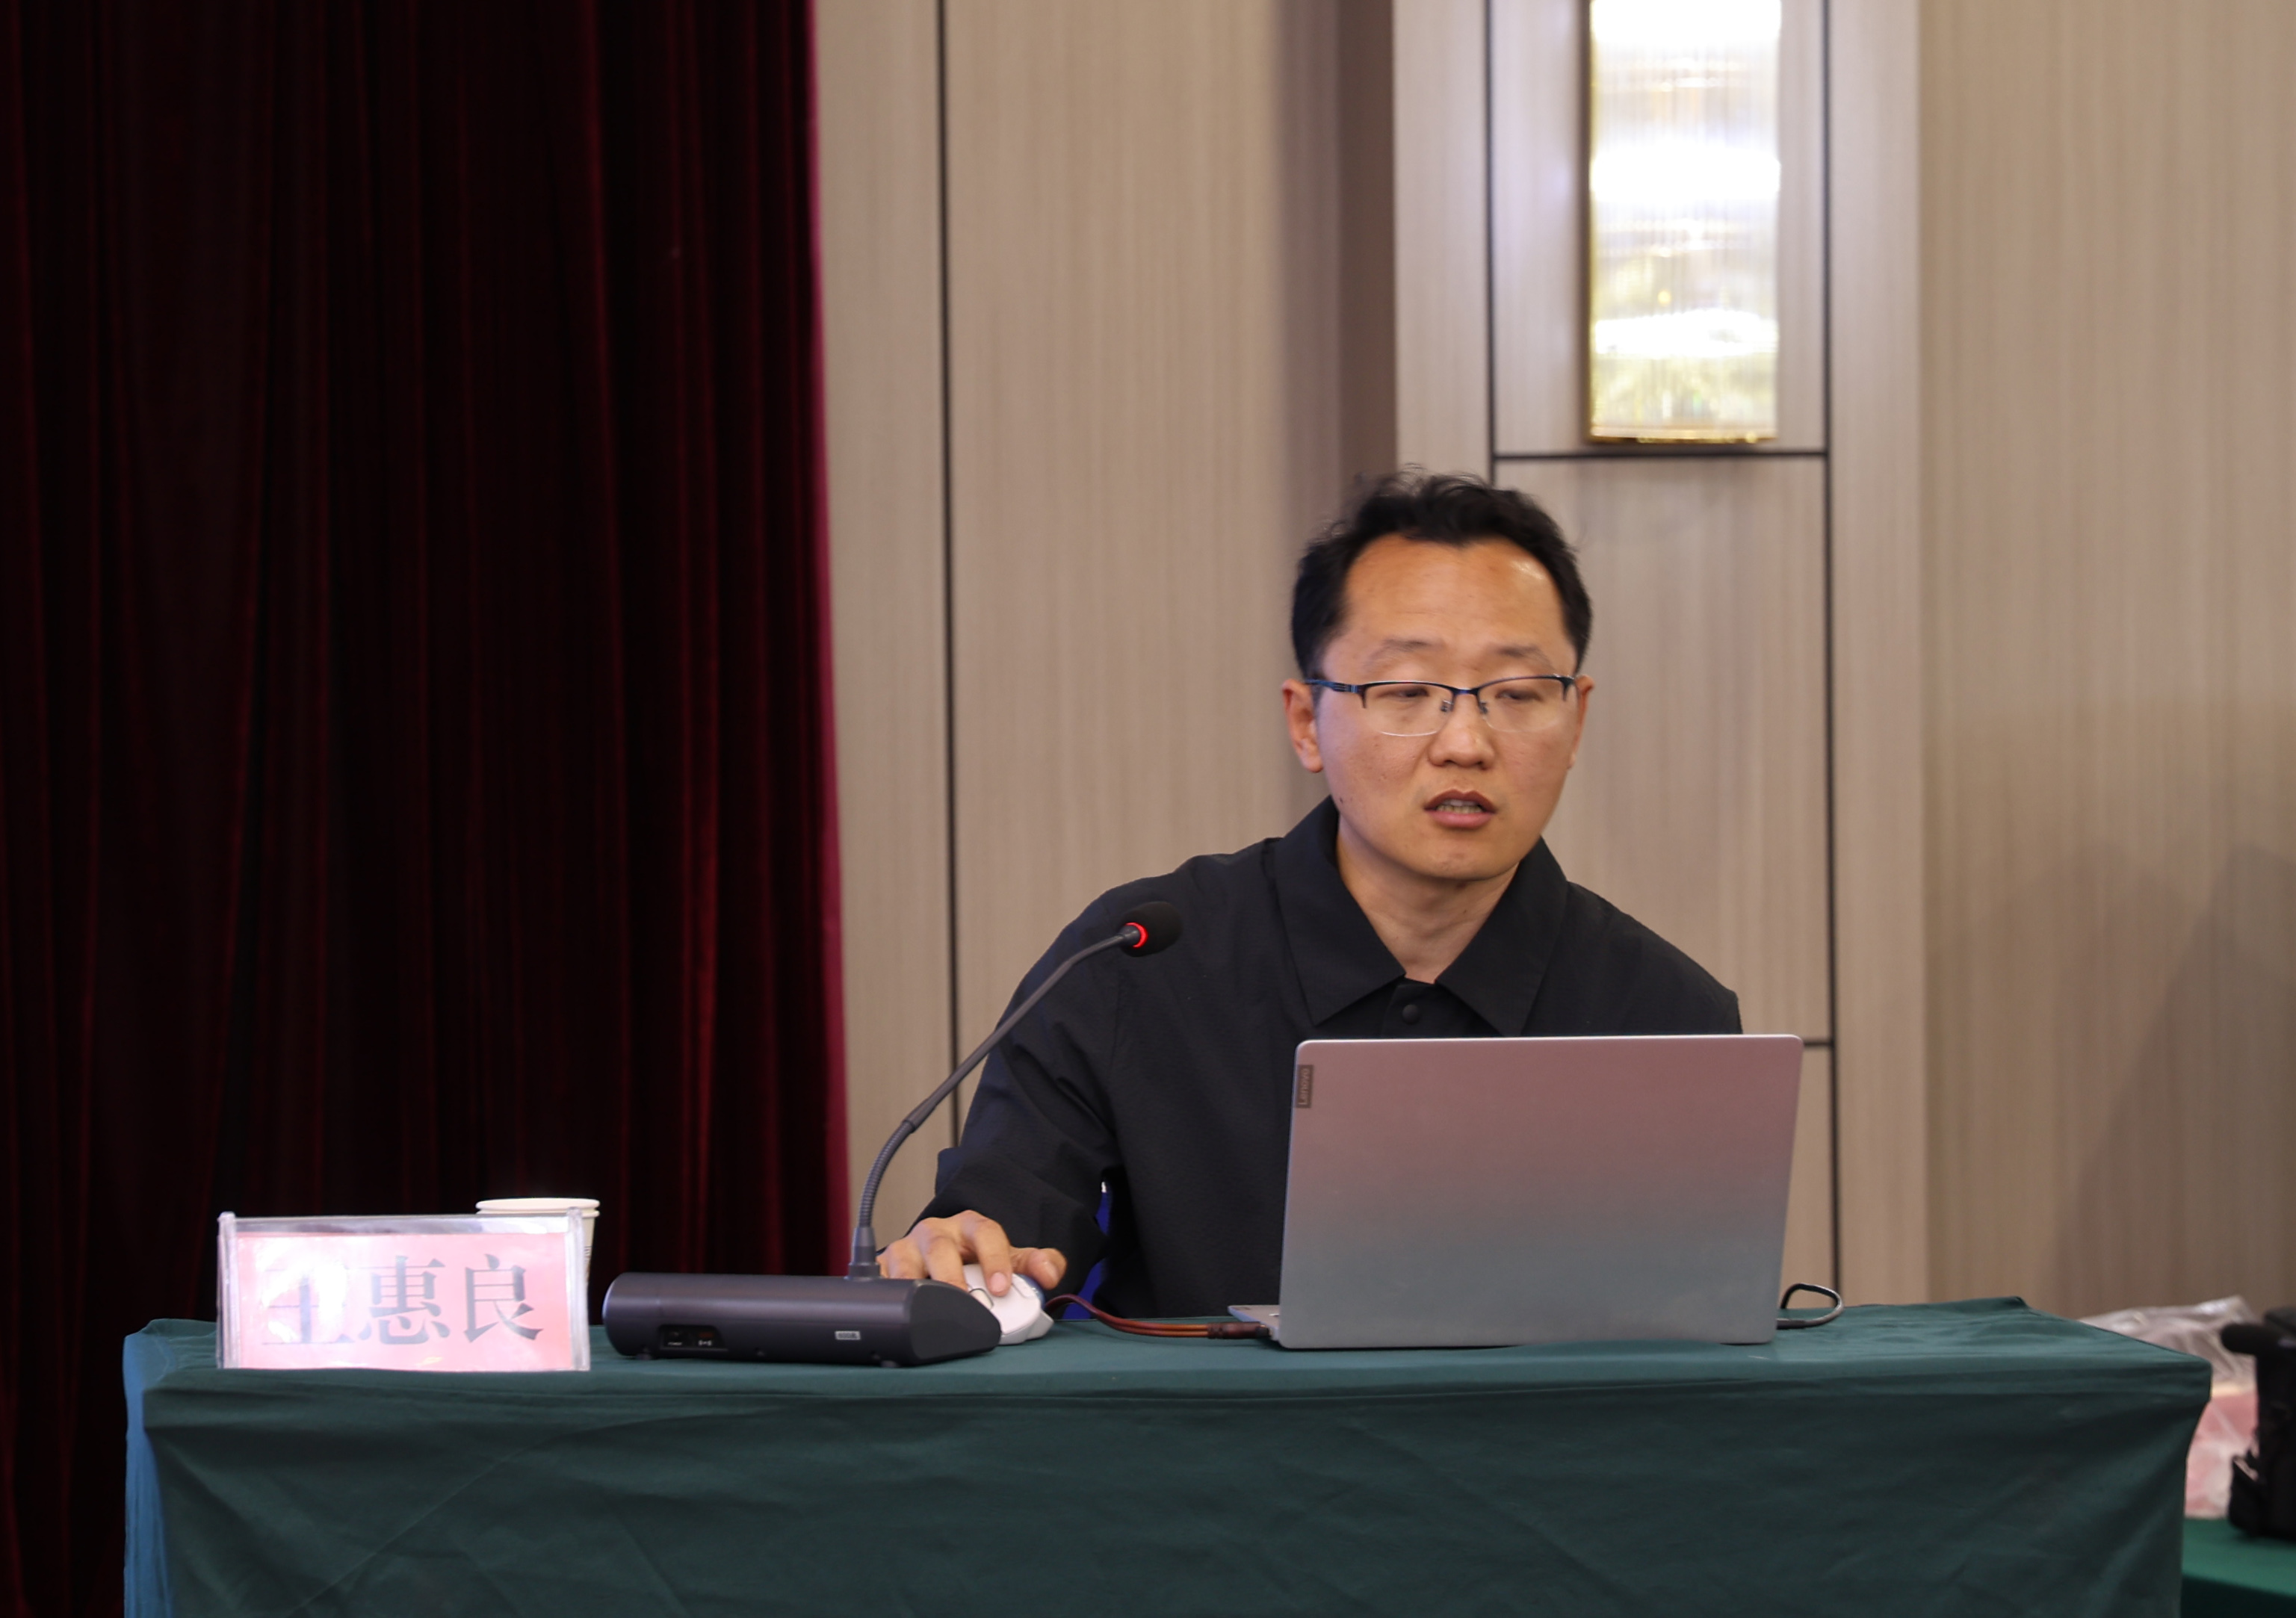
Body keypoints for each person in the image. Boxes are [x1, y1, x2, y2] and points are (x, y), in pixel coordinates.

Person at [885, 471, 1738, 1316]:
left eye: (1515, 695)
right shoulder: (1135, 965)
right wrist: (965, 1247)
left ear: (1576, 720)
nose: (1465, 743)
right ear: (1305, 723)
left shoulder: (1668, 1016)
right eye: (1407, 692)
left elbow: (1698, 1329)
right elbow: (1007, 1222)